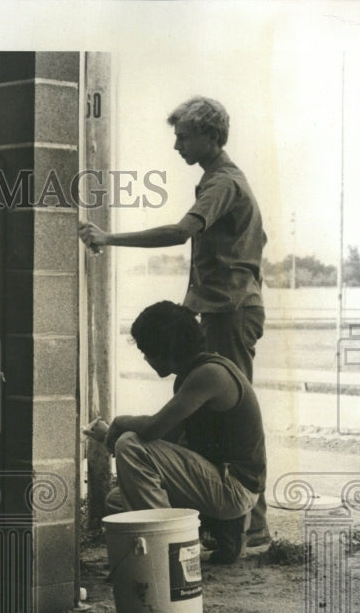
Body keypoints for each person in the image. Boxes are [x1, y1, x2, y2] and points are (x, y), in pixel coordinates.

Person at [80, 96, 270, 546]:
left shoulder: (222, 183)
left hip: (231, 309)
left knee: (235, 418)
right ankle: (226, 522)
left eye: (183, 136)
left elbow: (180, 233)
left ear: (210, 135)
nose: (177, 145)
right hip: (222, 306)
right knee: (209, 415)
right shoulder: (219, 181)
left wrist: (108, 238)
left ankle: (250, 527)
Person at [103, 301, 266, 564]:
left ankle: (171, 551)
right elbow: (165, 439)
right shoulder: (192, 374)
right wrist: (109, 435)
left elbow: (155, 427)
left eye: (147, 351)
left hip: (234, 487)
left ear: (165, 350)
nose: (145, 358)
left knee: (130, 446)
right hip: (220, 482)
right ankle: (215, 529)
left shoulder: (210, 374)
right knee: (117, 503)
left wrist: (121, 422)